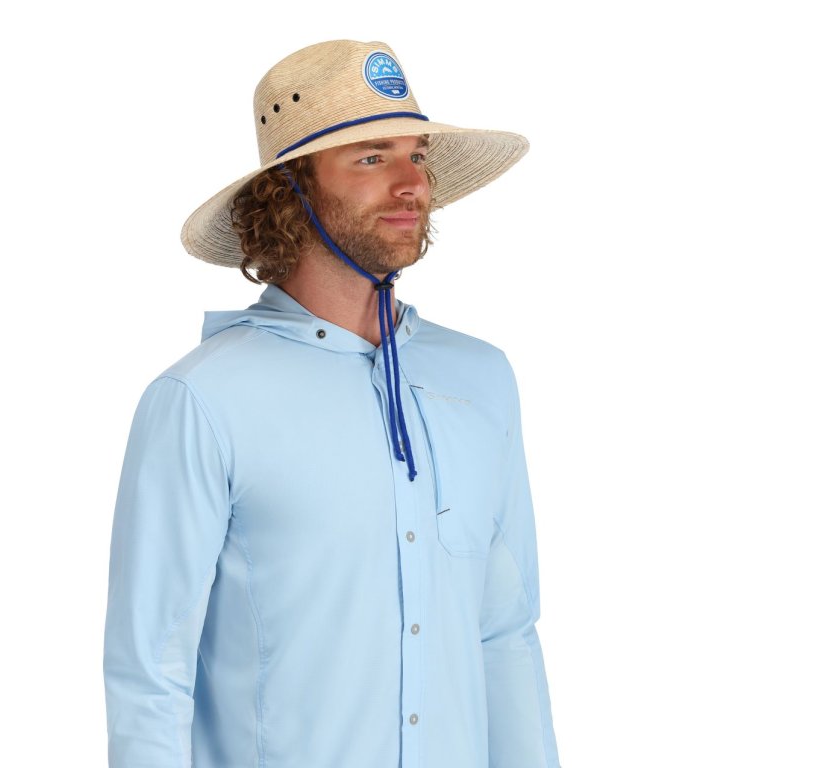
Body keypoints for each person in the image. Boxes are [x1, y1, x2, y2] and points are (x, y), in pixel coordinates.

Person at [104, 39, 561, 768]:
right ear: (290, 192)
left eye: (417, 156)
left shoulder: (481, 378)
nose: (412, 184)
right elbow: (152, 676)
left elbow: (505, 633)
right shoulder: (202, 401)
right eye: (372, 158)